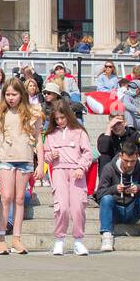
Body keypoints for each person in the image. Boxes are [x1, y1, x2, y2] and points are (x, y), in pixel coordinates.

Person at [0, 78, 39, 255]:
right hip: (6, 158)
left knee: (20, 199)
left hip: (25, 158)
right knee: (6, 197)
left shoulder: (32, 113)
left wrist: (41, 162)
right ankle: (1, 238)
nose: (10, 98)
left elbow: (39, 138)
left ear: (21, 95)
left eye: (14, 94)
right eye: (7, 94)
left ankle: (16, 239)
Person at [38, 97, 94, 256]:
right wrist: (50, 156)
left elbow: (88, 153)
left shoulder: (79, 132)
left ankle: (78, 240)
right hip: (58, 171)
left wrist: (81, 167)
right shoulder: (50, 134)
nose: (60, 121)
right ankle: (59, 240)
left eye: (62, 117)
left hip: (76, 172)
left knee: (78, 207)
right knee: (61, 207)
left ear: (69, 115)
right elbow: (45, 154)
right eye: (56, 119)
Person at [94, 140, 140, 252]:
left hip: (133, 210)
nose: (129, 165)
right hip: (115, 210)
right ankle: (107, 235)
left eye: (132, 161)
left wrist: (138, 189)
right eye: (126, 161)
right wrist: (115, 189)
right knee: (106, 198)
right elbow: (99, 194)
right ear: (121, 156)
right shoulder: (109, 168)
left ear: (137, 157)